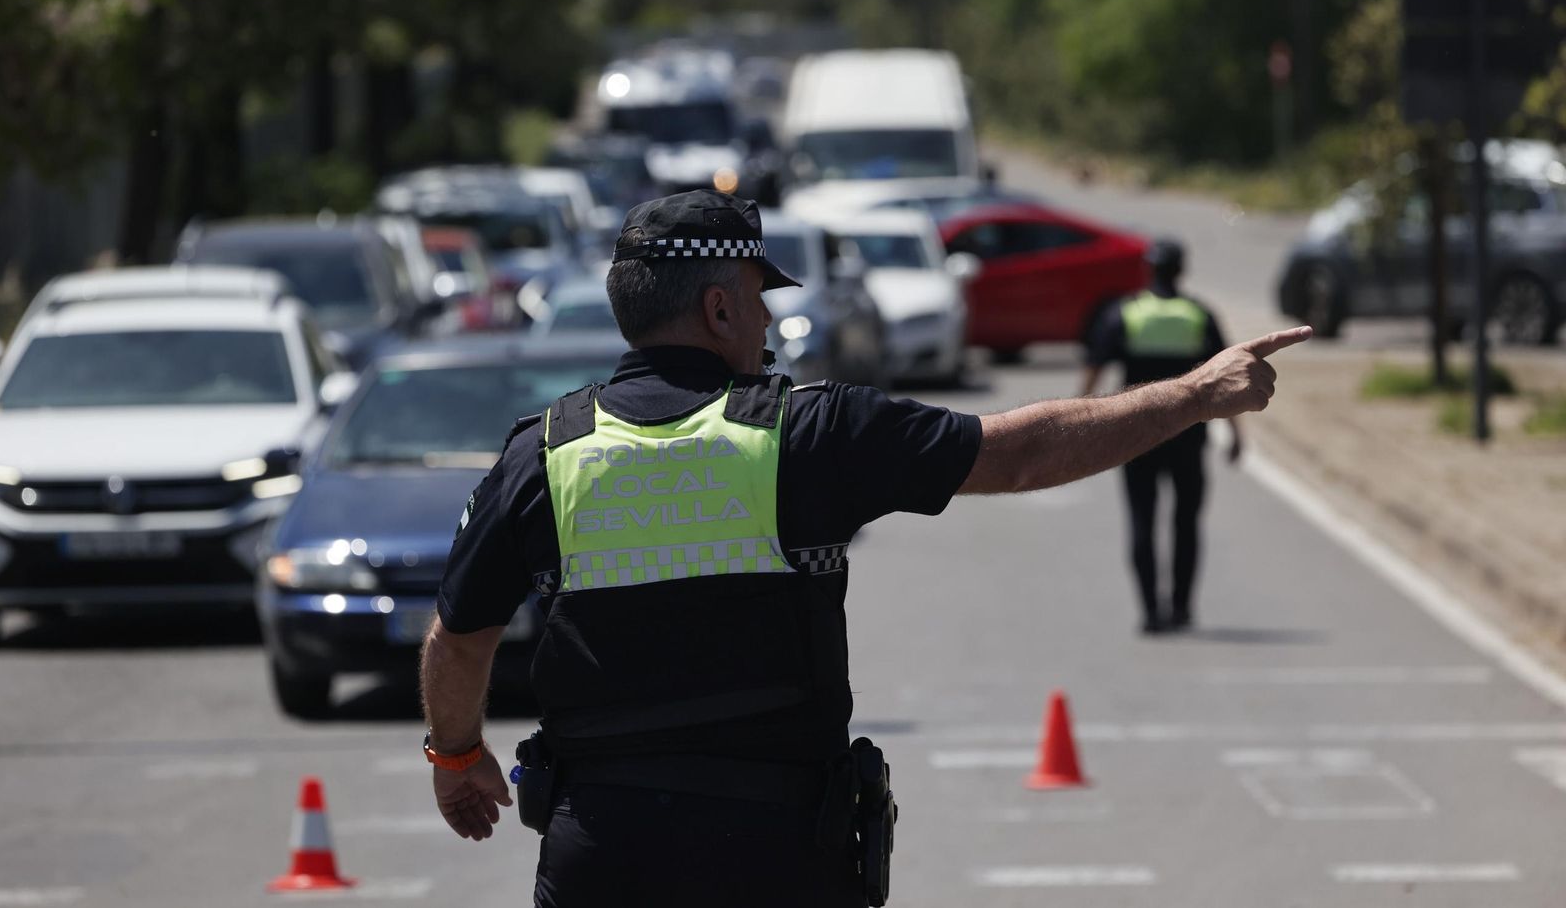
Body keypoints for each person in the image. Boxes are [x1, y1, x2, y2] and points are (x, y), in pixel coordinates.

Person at [420, 191, 1308, 908]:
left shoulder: (543, 455)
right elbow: (1021, 453)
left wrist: (457, 758)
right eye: (759, 299)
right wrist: (1196, 395)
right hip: (777, 855)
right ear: (719, 307)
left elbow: (458, 640)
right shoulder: (809, 432)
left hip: (604, 855)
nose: (766, 322)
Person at [1081, 238, 1239, 634]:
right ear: (1182, 270)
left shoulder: (1126, 313)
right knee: (1186, 522)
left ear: (1148, 269)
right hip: (1188, 435)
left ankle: (1151, 612)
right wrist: (1236, 431)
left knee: (1142, 521)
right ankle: (1181, 608)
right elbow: (1228, 376)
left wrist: (1080, 423)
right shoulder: (1198, 314)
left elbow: (1095, 369)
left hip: (1135, 435)